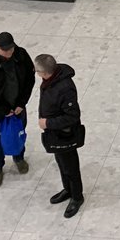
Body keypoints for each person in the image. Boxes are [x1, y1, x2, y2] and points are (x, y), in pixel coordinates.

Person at [0, 31, 35, 186]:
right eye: (5, 50)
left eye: (11, 48)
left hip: (17, 107)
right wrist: (3, 109)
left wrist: (21, 103)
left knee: (19, 132)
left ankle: (19, 158)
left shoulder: (21, 55)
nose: (9, 52)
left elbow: (30, 80)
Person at [35, 54, 84, 218]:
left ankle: (77, 196)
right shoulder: (50, 80)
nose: (36, 73)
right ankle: (67, 189)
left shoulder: (65, 88)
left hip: (65, 135)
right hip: (55, 134)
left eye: (37, 71)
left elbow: (72, 116)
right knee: (62, 164)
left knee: (71, 167)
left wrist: (48, 123)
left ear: (44, 72)